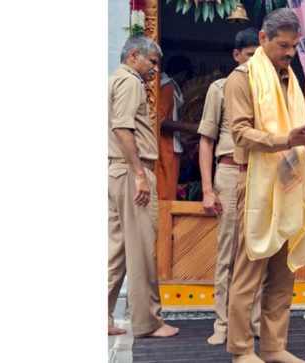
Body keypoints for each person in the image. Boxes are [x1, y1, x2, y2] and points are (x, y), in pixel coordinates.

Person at [224, 8, 305, 363]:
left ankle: (273, 347)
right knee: (249, 269)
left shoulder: (291, 81)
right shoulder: (242, 79)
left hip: (288, 180)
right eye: (282, 45)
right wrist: (289, 139)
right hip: (253, 181)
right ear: (263, 40)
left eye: (294, 46)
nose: (288, 52)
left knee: (283, 272)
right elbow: (241, 133)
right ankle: (241, 350)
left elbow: (295, 135)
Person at [107, 36, 179, 338]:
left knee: (117, 251)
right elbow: (122, 127)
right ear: (134, 55)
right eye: (151, 61)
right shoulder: (130, 82)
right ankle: (148, 323)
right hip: (131, 172)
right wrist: (139, 173)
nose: (154, 69)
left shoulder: (113, 80)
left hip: (116, 171)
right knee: (139, 250)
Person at [197, 27, 262, 346]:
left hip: (262, 176)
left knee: (258, 249)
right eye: (250, 55)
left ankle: (254, 320)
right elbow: (206, 140)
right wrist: (208, 190)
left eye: (258, 55)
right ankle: (222, 322)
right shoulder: (219, 88)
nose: (254, 61)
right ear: (236, 56)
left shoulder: (269, 88)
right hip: (228, 172)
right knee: (227, 253)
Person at [157, 55, 199, 200]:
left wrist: (180, 139)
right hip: (164, 149)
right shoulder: (168, 87)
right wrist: (191, 127)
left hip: (168, 146)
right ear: (182, 74)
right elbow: (159, 120)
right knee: (165, 195)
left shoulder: (166, 86)